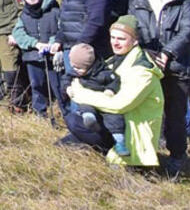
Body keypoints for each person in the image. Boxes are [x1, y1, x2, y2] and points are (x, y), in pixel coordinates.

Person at [126, 0, 190, 168]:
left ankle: (177, 157)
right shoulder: (138, 1)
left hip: (177, 67)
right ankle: (144, 156)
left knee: (175, 115)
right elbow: (133, 27)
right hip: (147, 65)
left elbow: (188, 31)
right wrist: (144, 52)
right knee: (145, 112)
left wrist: (167, 53)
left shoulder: (184, 1)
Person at [65, 16, 164, 169]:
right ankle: (98, 148)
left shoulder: (143, 71)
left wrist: (80, 94)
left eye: (122, 39)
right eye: (113, 37)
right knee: (66, 139)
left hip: (130, 131)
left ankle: (111, 152)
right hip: (115, 121)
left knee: (75, 122)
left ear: (135, 40)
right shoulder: (115, 60)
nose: (115, 42)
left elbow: (119, 105)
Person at [11, 0, 62, 118]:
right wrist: (35, 43)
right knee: (36, 86)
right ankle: (40, 113)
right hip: (33, 56)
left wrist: (52, 43)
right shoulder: (23, 15)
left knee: (58, 86)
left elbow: (62, 29)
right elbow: (18, 34)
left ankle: (66, 113)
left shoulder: (54, 10)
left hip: (52, 55)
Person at [68, 43, 127, 156]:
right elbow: (66, 78)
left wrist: (110, 90)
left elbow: (115, 81)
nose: (76, 70)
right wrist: (68, 87)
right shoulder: (75, 72)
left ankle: (119, 142)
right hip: (87, 102)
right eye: (74, 67)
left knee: (114, 119)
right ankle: (90, 119)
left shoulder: (104, 72)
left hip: (103, 101)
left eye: (79, 68)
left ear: (89, 65)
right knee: (85, 107)